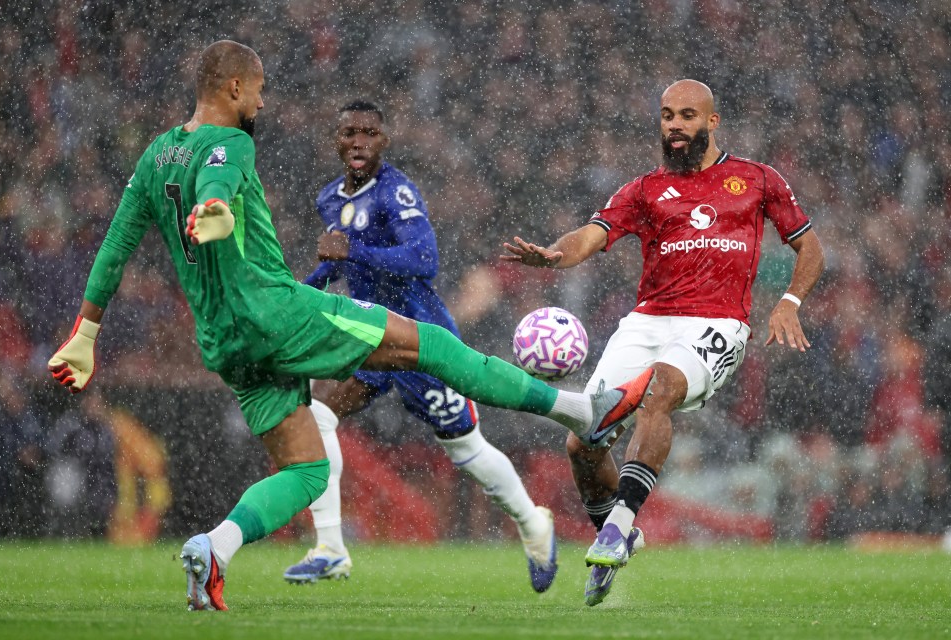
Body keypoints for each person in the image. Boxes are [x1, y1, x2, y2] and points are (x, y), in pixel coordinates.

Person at [46, 40, 654, 611]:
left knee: (307, 469)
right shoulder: (232, 144)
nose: (261, 103)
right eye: (257, 91)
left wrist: (86, 333)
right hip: (278, 316)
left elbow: (117, 242)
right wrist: (215, 210)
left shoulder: (156, 154)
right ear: (233, 88)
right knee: (435, 345)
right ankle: (578, 411)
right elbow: (218, 185)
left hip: (225, 342)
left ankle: (215, 548)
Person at [502, 79, 824, 606]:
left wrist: (789, 301)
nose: (675, 125)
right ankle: (616, 528)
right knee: (582, 441)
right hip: (648, 321)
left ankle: (619, 523)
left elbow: (809, 247)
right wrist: (556, 255)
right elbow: (593, 233)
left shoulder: (757, 180)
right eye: (668, 115)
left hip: (716, 324)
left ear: (712, 122)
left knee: (661, 388)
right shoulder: (646, 189)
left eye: (688, 116)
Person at [282, 100, 558, 593]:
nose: (359, 141)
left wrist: (356, 250)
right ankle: (330, 546)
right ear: (336, 140)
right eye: (350, 132)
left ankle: (533, 523)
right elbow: (336, 265)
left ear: (383, 141)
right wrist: (297, 294)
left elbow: (424, 259)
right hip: (370, 337)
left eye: (370, 132)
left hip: (421, 341)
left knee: (466, 450)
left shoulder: (397, 191)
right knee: (317, 415)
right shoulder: (329, 198)